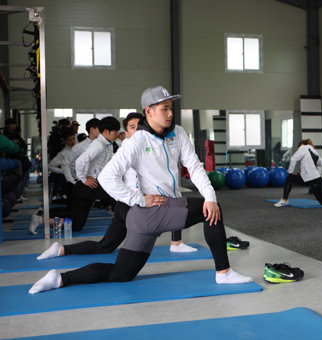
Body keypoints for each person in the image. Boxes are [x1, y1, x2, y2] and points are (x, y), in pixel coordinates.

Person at [28, 86, 252, 294]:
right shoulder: (136, 142)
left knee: (121, 273)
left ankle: (60, 279)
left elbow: (193, 166)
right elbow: (107, 177)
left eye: (171, 108)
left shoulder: (179, 133)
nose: (170, 113)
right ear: (149, 111)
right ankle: (223, 272)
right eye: (164, 109)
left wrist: (209, 196)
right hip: (152, 210)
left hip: (146, 217)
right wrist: (139, 199)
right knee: (211, 210)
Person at [36, 112, 197, 259]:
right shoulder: (127, 150)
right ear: (126, 133)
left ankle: (61, 249)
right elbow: (108, 176)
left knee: (106, 246)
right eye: (132, 127)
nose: (137, 130)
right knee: (165, 216)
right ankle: (174, 244)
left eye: (139, 126)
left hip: (126, 205)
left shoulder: (143, 148)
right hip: (130, 206)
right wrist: (83, 179)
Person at [274, 139, 322, 207]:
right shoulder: (314, 152)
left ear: (301, 145)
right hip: (316, 180)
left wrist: (290, 172)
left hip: (309, 179)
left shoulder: (303, 148)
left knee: (290, 177)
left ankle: (284, 200)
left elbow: (293, 159)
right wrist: (320, 175)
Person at [48, 128, 76, 200]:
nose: (72, 141)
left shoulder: (80, 148)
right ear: (65, 141)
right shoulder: (63, 154)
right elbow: (50, 166)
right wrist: (64, 171)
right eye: (69, 140)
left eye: (73, 138)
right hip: (71, 181)